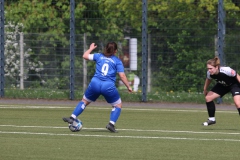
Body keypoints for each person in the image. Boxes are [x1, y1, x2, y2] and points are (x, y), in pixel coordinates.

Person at [63, 42, 133, 132]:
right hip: (108, 86)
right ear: (115, 51)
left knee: (84, 101)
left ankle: (72, 117)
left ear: (105, 48)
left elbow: (85, 56)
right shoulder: (117, 61)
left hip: (95, 83)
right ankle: (111, 124)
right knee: (118, 105)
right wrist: (128, 86)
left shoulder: (98, 56)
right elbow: (122, 76)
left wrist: (91, 48)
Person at [202, 56, 240, 126]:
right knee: (208, 98)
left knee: (238, 103)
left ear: (216, 67)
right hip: (222, 85)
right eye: (208, 68)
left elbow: (237, 76)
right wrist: (205, 89)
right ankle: (211, 119)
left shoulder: (226, 70)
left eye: (211, 68)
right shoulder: (209, 73)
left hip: (234, 85)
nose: (209, 70)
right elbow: (208, 79)